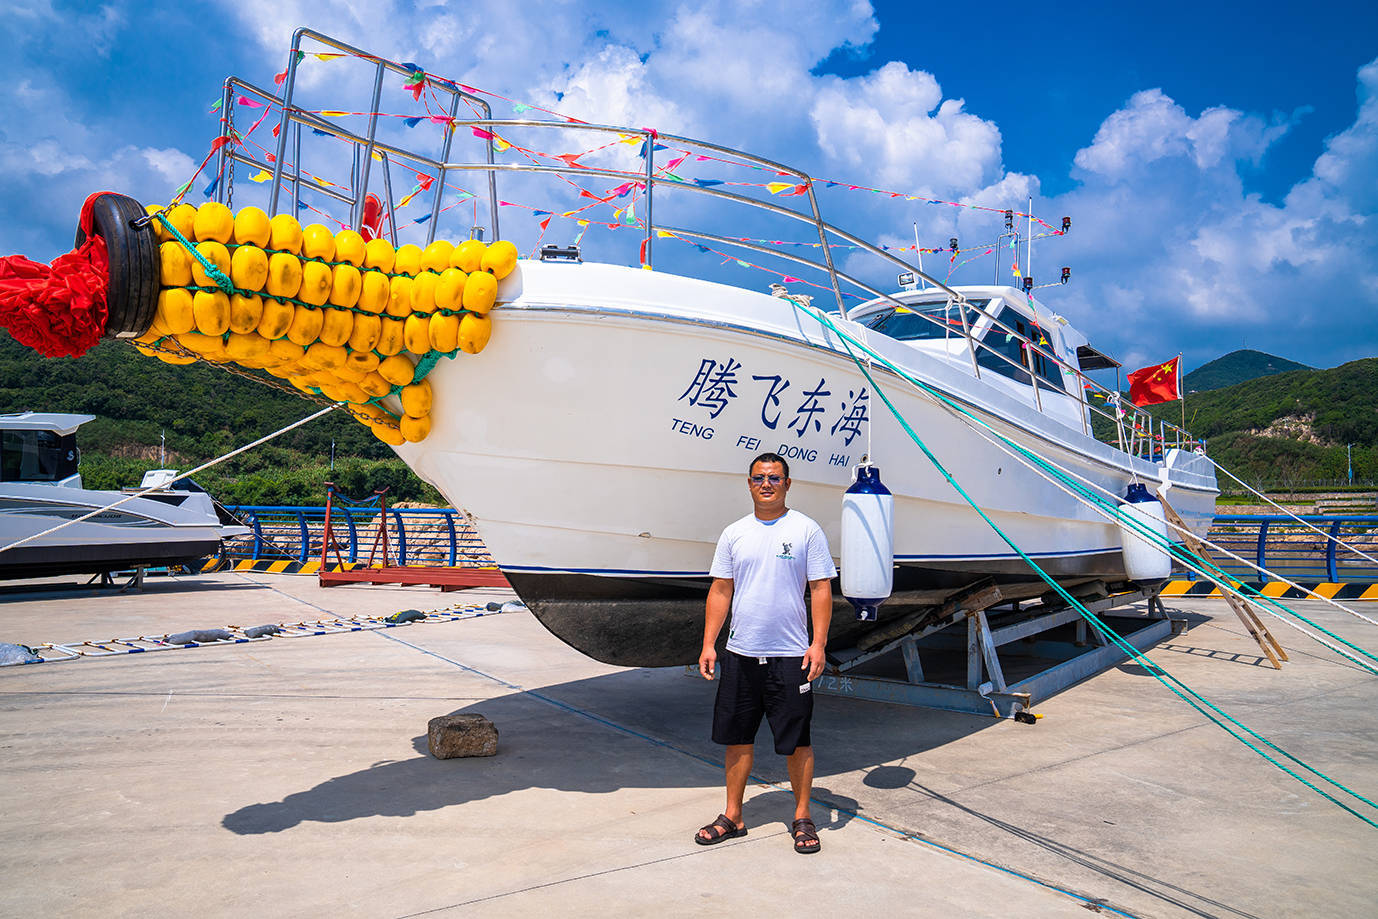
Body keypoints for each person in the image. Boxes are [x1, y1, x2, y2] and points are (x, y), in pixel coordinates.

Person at [693, 452, 836, 854]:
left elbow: (820, 588)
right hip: (741, 653)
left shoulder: (806, 530)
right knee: (736, 738)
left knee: (797, 740)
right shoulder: (734, 533)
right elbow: (721, 590)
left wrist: (818, 642)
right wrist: (709, 644)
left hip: (791, 655)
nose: (767, 484)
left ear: (788, 484)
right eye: (759, 478)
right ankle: (733, 815)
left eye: (774, 478)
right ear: (749, 484)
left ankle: (802, 816)